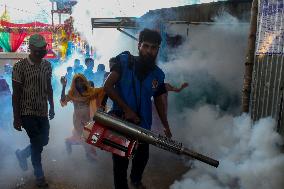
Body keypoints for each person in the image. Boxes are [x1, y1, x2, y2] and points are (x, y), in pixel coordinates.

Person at [104, 28, 172, 189]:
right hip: (121, 122)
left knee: (141, 158)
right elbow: (107, 86)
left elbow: (158, 101)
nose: (149, 51)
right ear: (139, 46)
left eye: (153, 47)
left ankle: (136, 181)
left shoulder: (158, 74)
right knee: (120, 163)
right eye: (146, 46)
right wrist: (126, 109)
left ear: (158, 49)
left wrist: (166, 125)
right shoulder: (124, 62)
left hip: (143, 125)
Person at [12, 33, 54, 187]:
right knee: (37, 143)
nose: (42, 51)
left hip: (42, 111)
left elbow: (49, 88)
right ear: (30, 48)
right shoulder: (19, 66)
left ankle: (22, 154)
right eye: (38, 49)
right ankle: (39, 177)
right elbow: (16, 94)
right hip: (27, 112)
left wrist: (52, 107)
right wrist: (16, 117)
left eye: (44, 48)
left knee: (44, 141)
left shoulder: (47, 65)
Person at [60, 74, 105, 161]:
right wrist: (63, 86)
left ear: (84, 81)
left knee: (91, 137)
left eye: (81, 80)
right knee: (84, 137)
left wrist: (100, 106)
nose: (79, 83)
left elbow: (103, 91)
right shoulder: (72, 94)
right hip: (78, 120)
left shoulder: (90, 92)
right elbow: (63, 100)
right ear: (74, 83)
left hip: (88, 119)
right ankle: (89, 155)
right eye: (77, 81)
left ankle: (69, 142)